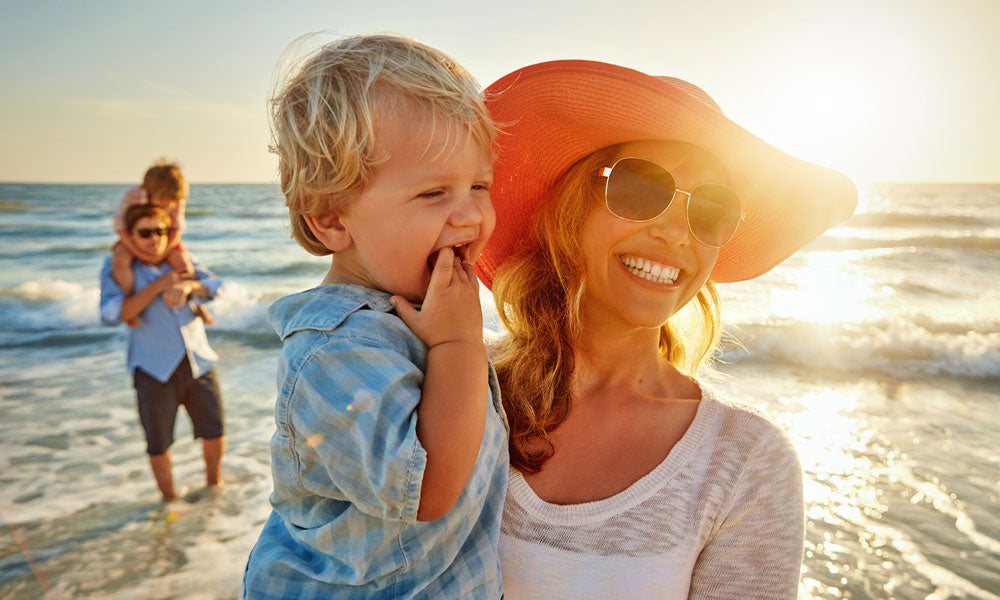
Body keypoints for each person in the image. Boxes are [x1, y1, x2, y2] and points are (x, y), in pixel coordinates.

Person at [475, 60, 857, 599]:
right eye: (640, 187)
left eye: (713, 209)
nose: (678, 232)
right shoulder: (450, 384)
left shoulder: (744, 463)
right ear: (569, 205)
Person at [241, 34, 509, 599]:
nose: (471, 214)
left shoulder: (410, 315)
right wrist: (458, 343)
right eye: (434, 192)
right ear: (333, 221)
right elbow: (430, 487)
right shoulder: (333, 349)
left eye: (479, 185)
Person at [99, 203, 226, 502]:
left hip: (199, 360)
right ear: (130, 235)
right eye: (145, 233)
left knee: (215, 430)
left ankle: (214, 488)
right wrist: (158, 286)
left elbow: (216, 285)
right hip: (152, 368)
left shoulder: (180, 259)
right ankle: (169, 501)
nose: (154, 238)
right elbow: (110, 314)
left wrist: (189, 287)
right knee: (158, 443)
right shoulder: (117, 267)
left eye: (160, 231)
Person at [112, 159, 214, 326]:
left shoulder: (177, 200)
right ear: (150, 192)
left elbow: (177, 230)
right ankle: (130, 303)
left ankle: (197, 304)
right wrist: (141, 253)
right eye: (164, 200)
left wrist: (162, 253)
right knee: (120, 260)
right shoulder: (133, 195)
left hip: (166, 240)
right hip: (134, 239)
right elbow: (120, 227)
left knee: (185, 267)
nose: (169, 205)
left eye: (172, 201)